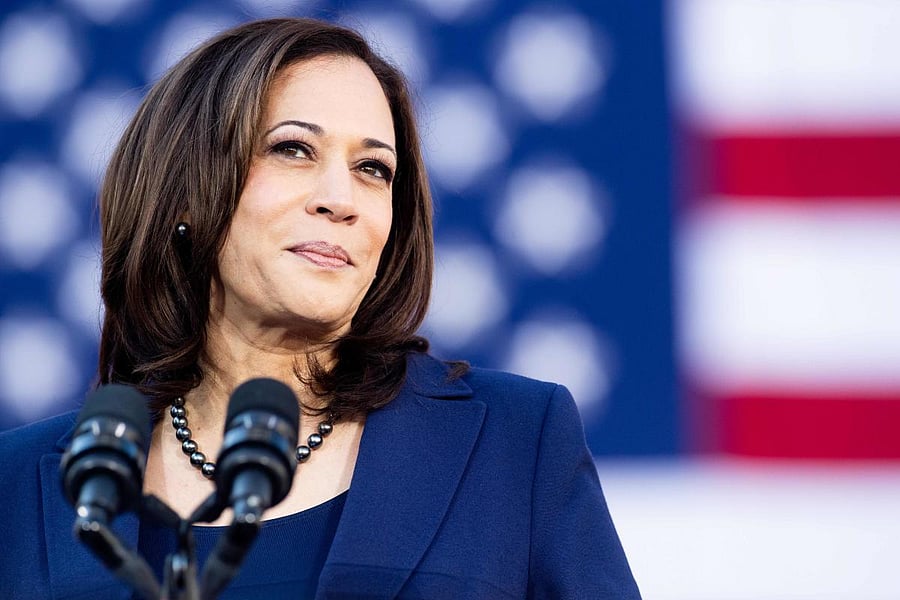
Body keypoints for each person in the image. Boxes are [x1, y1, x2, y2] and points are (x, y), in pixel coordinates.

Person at [0, 17, 641, 600]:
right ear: (185, 194)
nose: (343, 199)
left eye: (373, 169)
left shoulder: (516, 441)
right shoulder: (17, 483)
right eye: (293, 149)